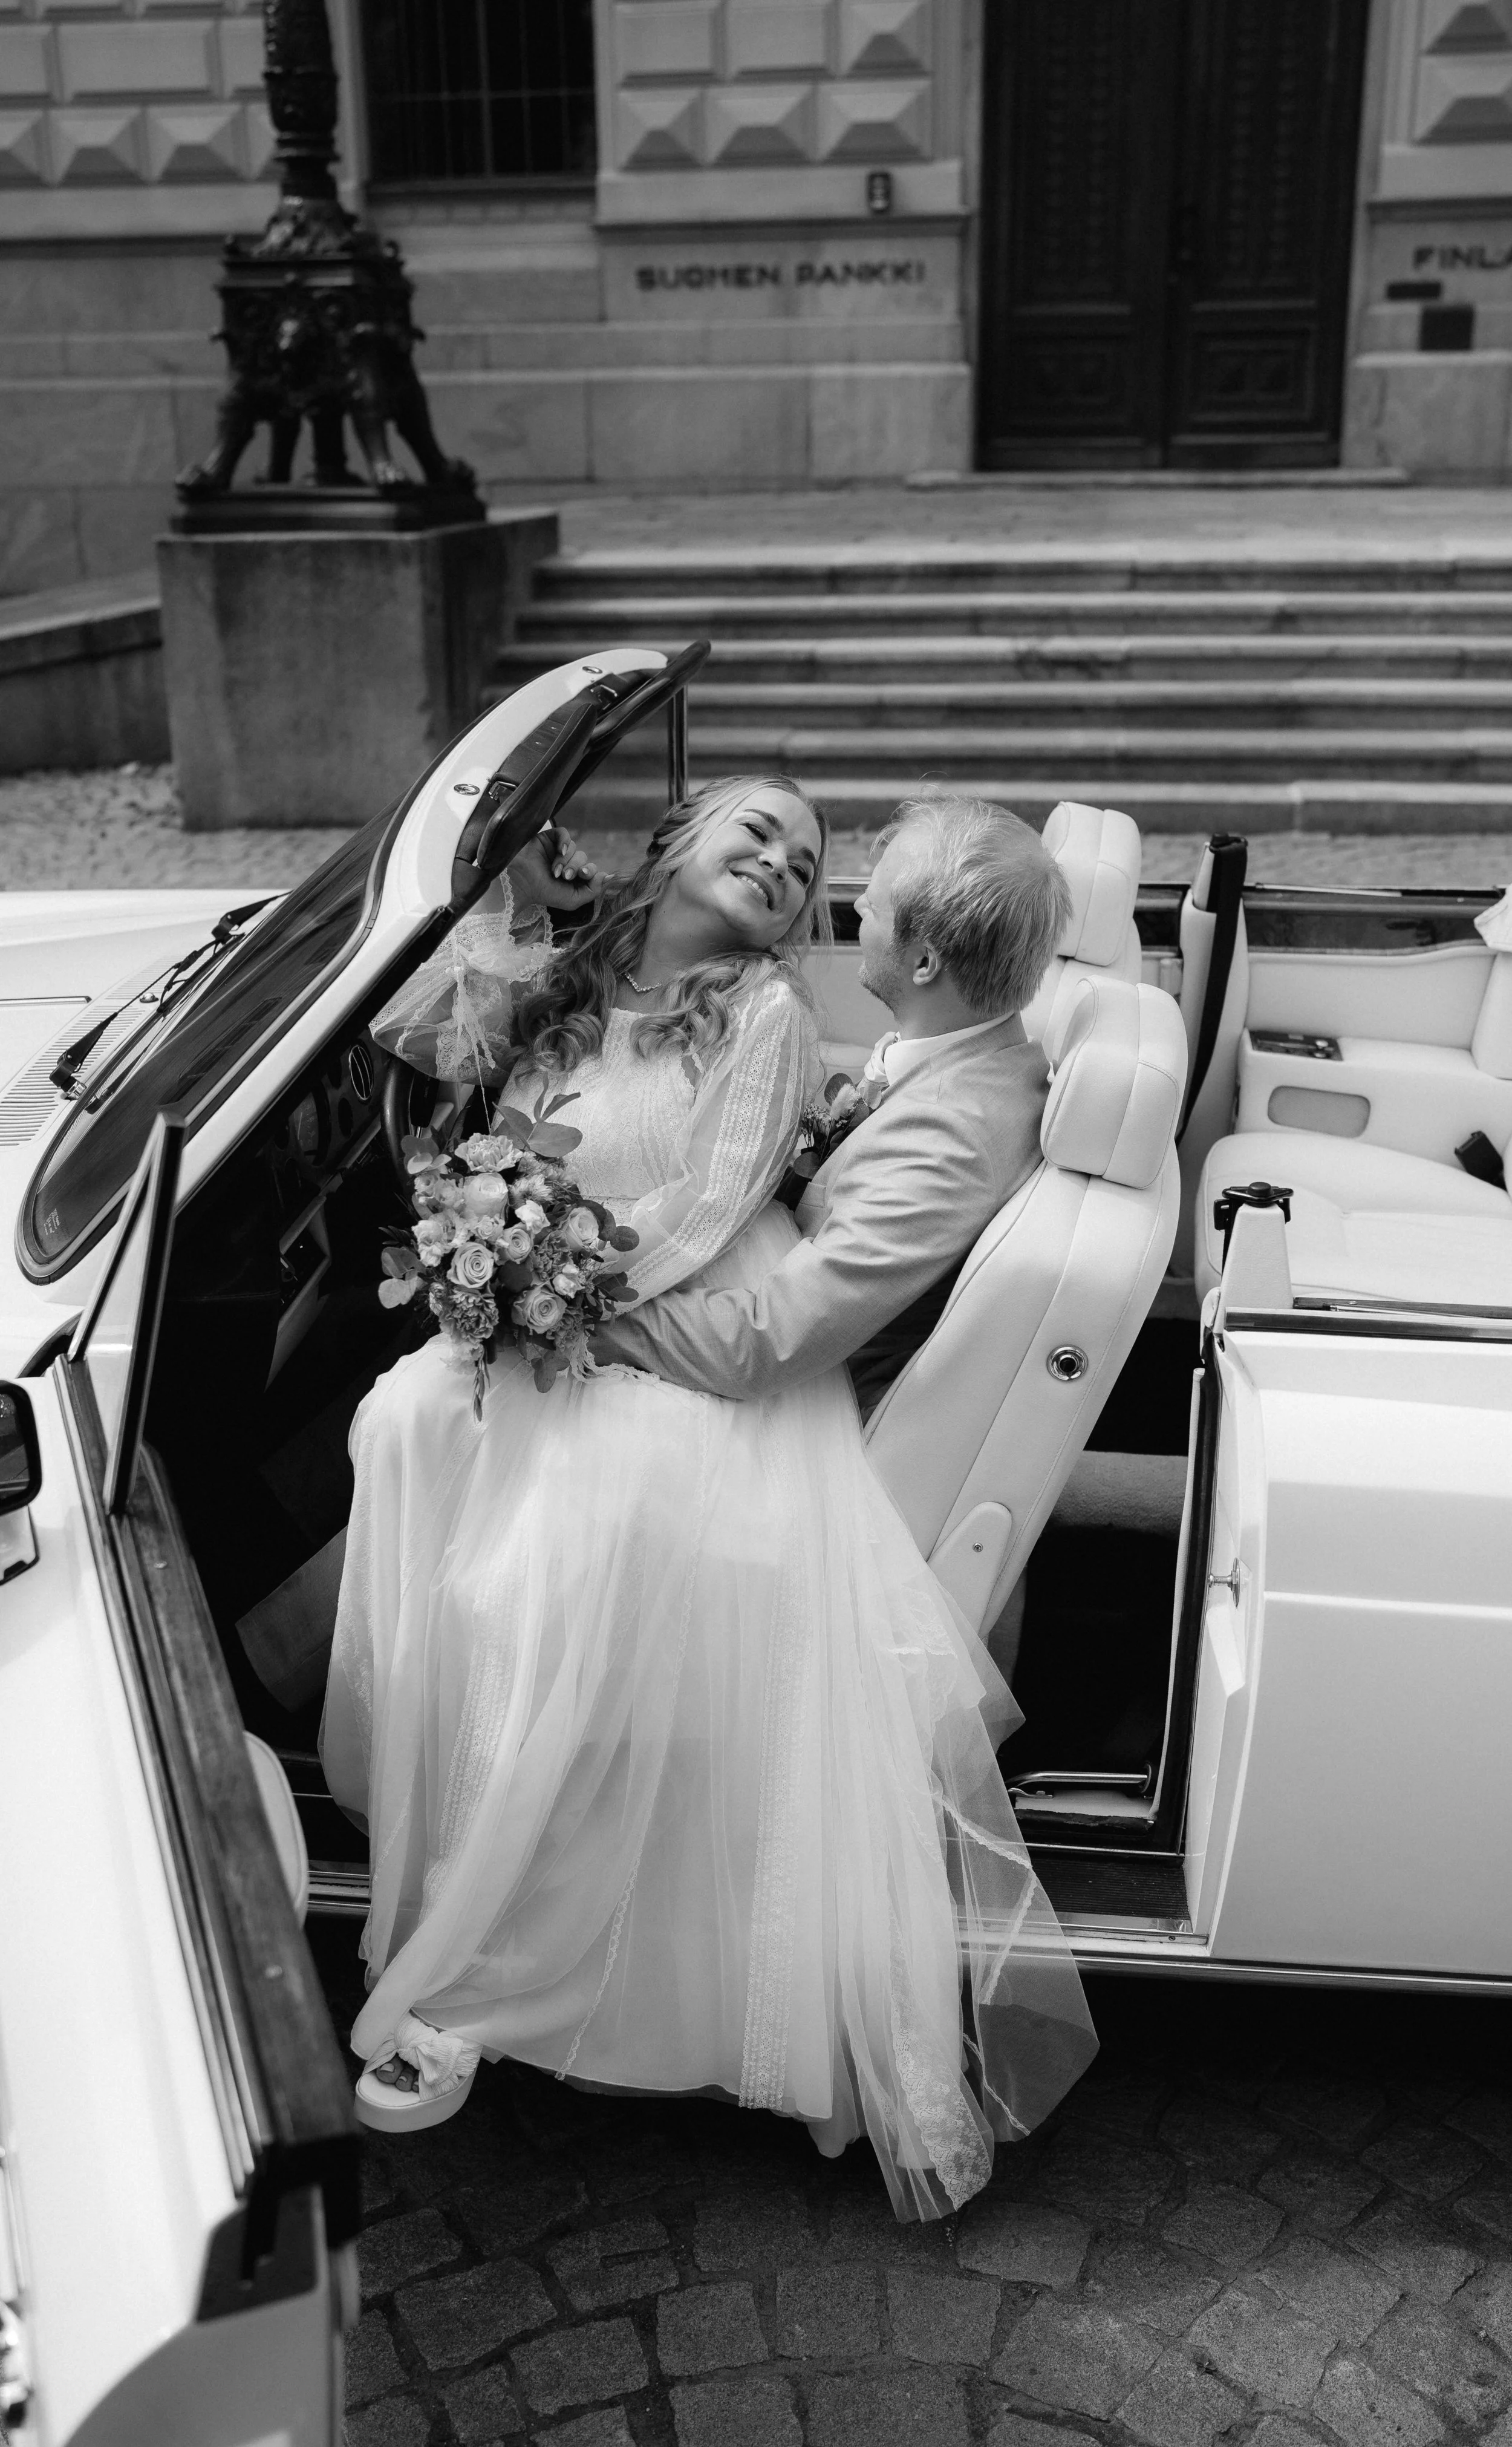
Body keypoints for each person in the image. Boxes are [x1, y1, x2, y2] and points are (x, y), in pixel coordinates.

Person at [321, 776, 1095, 2221]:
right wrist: (505, 903)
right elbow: (421, 1040)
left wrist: (550, 1305)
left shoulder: (802, 1029)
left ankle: (478, 1953)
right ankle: (417, 1806)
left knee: (531, 1549)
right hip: (607, 1296)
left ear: (907, 952)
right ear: (673, 841)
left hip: (696, 1343)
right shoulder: (607, 967)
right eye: (768, 836)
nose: (814, 876)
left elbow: (736, 1277)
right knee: (401, 1415)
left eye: (826, 871)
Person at [595, 795, 1072, 1420]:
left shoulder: (948, 1138)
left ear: (924, 962)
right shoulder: (968, 1062)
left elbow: (765, 1344)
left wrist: (570, 1310)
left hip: (803, 1414)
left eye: (872, 907)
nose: (854, 908)